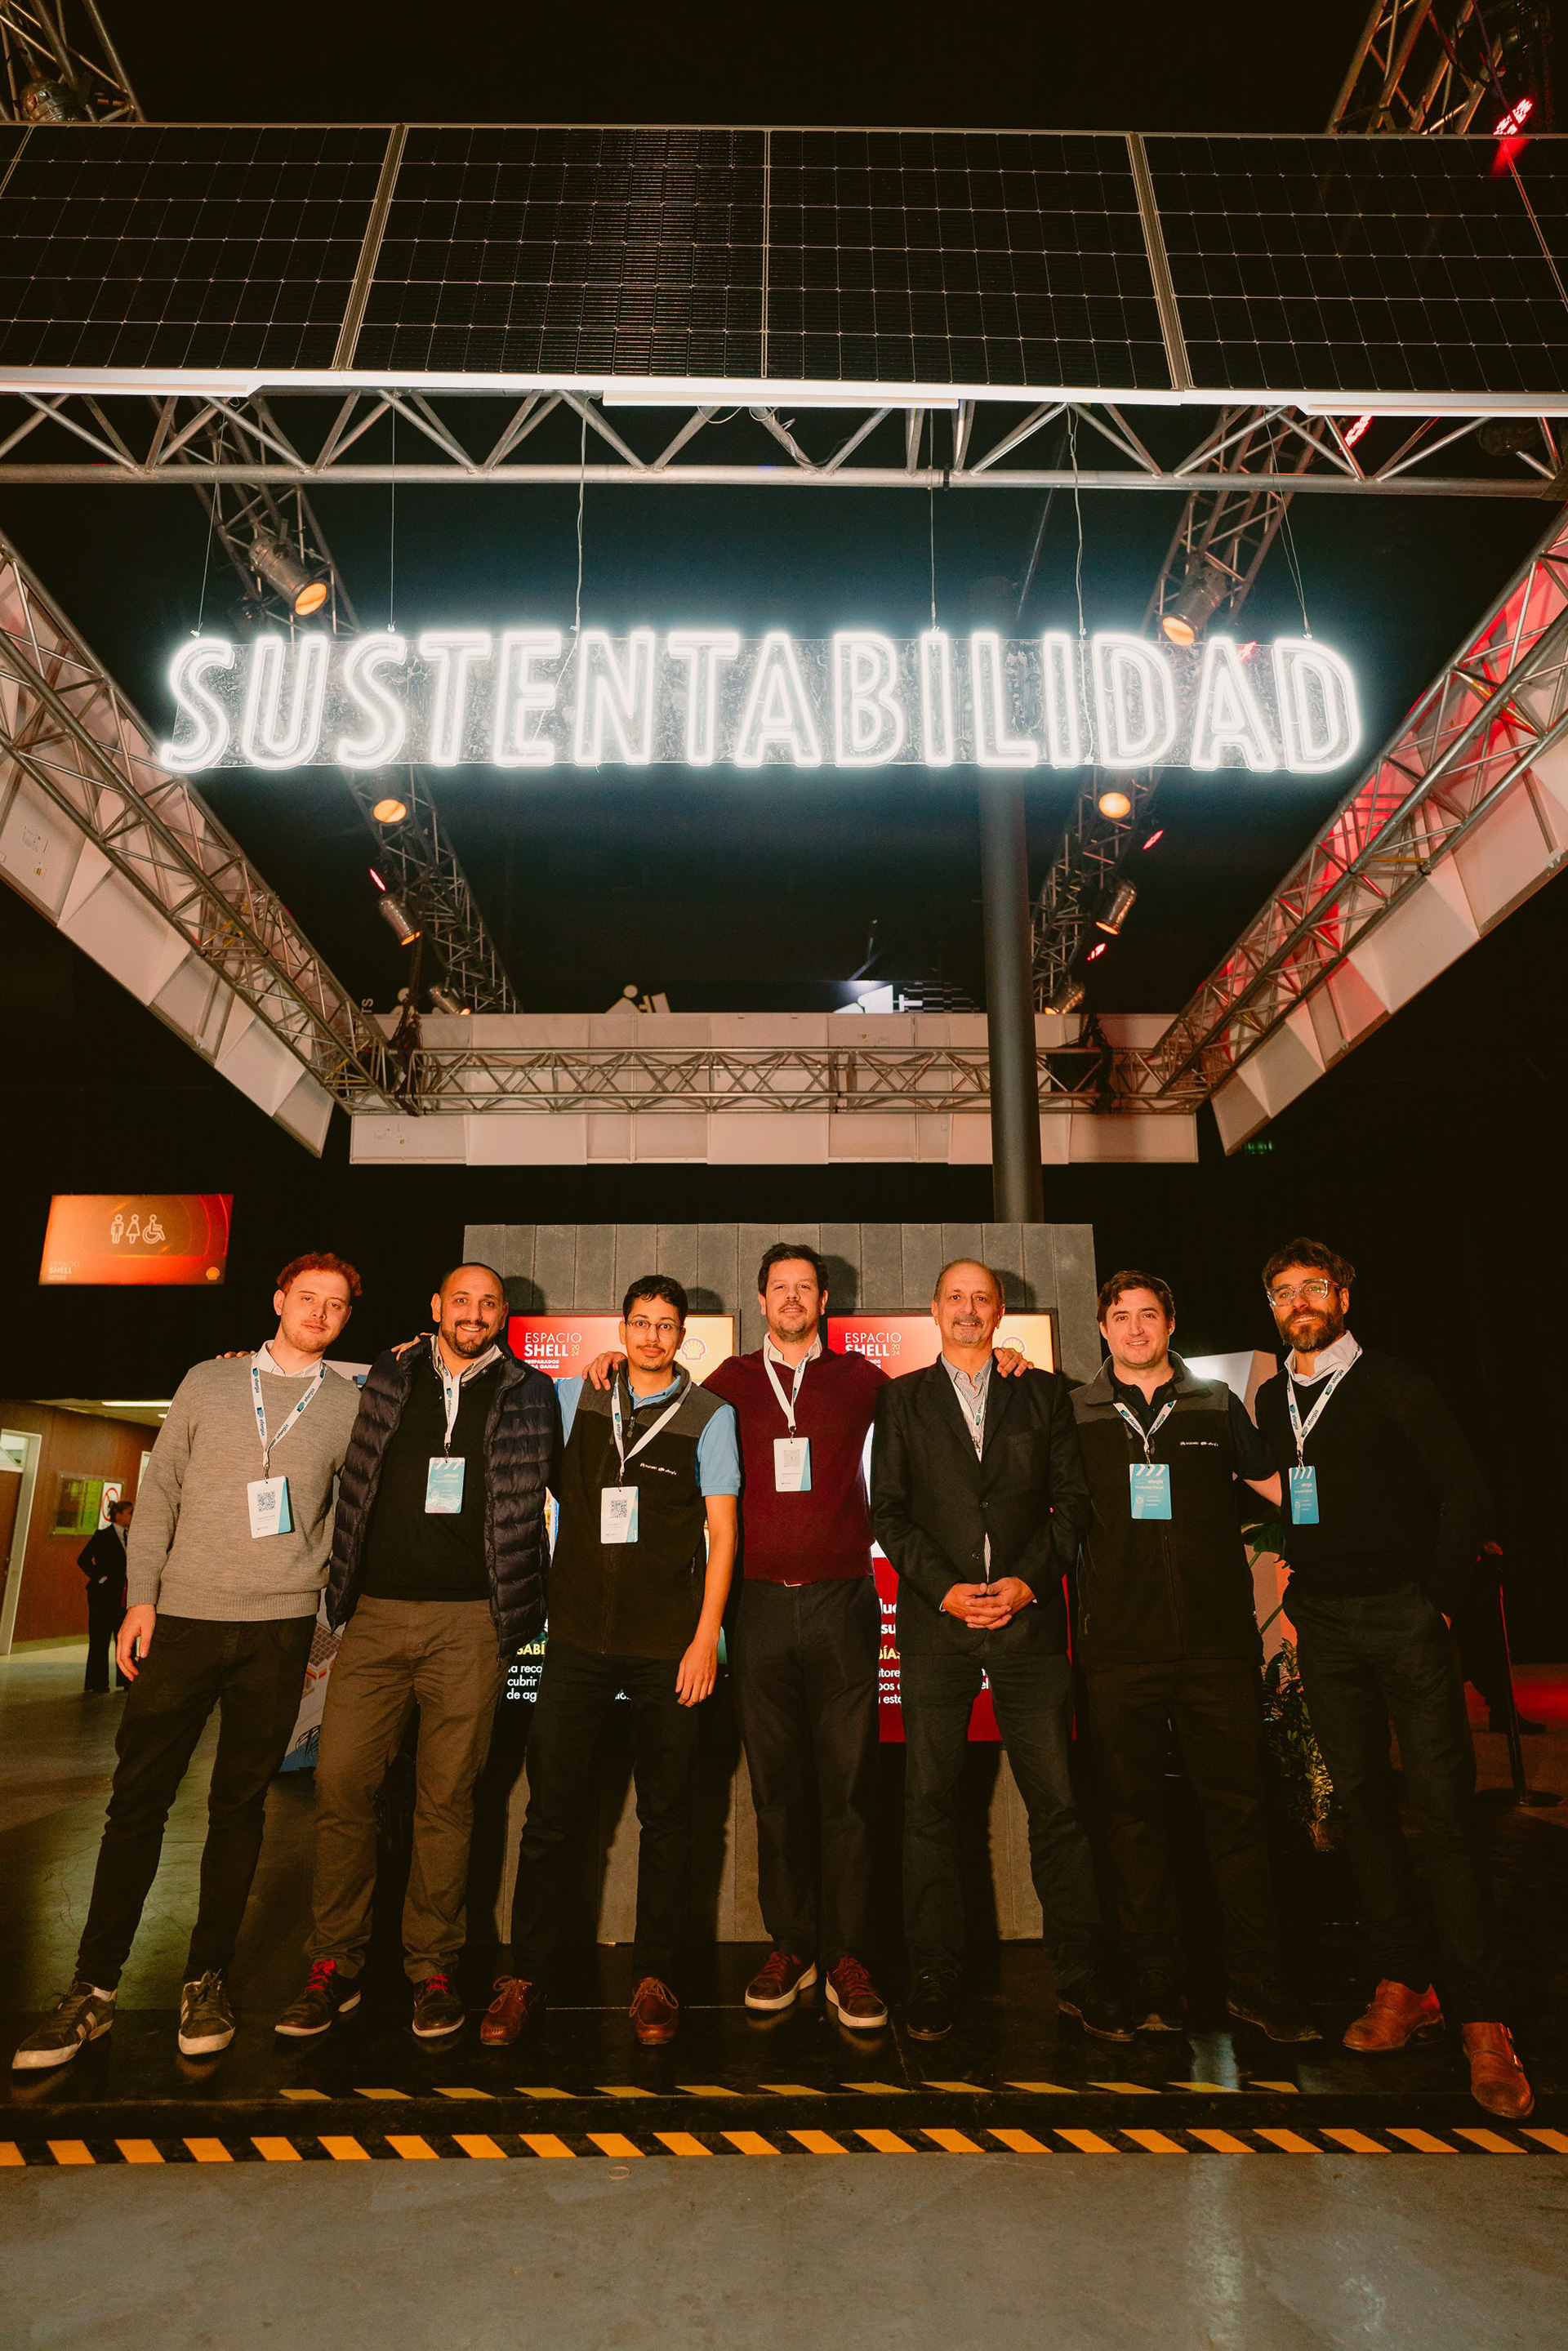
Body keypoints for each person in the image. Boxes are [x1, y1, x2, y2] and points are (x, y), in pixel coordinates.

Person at [12, 1255, 363, 2072]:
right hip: (184, 1620)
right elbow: (163, 1488)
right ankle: (92, 1988)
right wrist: (141, 1598)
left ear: (348, 1317)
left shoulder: (349, 1403)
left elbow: (353, 1512)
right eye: (306, 1297)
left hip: (280, 1628)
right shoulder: (209, 1381)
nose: (318, 1312)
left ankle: (207, 1979)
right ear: (278, 1301)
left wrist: (327, 1609)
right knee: (137, 1804)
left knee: (239, 1809)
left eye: (336, 1304)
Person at [1253, 1238, 1532, 2122]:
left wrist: (1436, 1603)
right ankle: (1405, 1983)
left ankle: (1484, 2015)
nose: (1300, 1302)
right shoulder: (1272, 1397)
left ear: (1344, 1295)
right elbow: (1285, 1489)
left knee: (1445, 1814)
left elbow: (1465, 1494)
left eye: (1314, 1287)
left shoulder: (1397, 1384)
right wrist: (1298, 1588)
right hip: (1326, 1623)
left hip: (1405, 1617)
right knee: (1364, 1807)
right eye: (1284, 1292)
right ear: (1273, 1308)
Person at [276, 1263, 559, 2043]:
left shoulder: (531, 1391)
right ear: (436, 1306)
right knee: (341, 1783)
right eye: (461, 1299)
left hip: (472, 1626)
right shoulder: (386, 1374)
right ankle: (333, 1963)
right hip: (374, 1617)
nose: (474, 1312)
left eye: (489, 1303)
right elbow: (305, 1391)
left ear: (504, 1315)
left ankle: (432, 1967)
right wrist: (247, 1364)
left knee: (447, 1800)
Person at [482, 1275, 739, 2050]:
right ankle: (526, 1973)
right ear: (622, 1328)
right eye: (640, 1322)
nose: (652, 1336)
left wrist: (705, 1638)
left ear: (682, 1335)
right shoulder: (575, 1396)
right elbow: (496, 1382)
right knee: (550, 1815)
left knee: (670, 1817)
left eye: (666, 1325)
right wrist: (406, 1353)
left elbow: (723, 1533)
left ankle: (654, 1976)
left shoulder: (711, 1415)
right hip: (576, 1643)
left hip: (668, 1649)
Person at [871, 1258, 1125, 2043]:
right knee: (929, 1806)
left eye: (982, 1298)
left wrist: (1026, 1583)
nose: (968, 1309)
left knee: (1058, 1806)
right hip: (937, 1626)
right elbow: (889, 1512)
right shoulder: (901, 1398)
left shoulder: (1043, 1392)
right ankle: (934, 1973)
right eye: (955, 1297)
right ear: (934, 1309)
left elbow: (1072, 1505)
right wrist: (944, 1589)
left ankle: (1081, 1975)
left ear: (1000, 1309)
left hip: (1028, 1626)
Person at [1072, 1271, 1317, 2042]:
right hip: (1119, 1651)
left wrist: (1352, 1530)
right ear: (1103, 1328)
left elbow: (1281, 1488)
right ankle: (1155, 1983)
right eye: (1120, 1316)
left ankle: (1258, 1983)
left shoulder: (1216, 1404)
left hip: (1216, 1649)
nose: (1135, 1328)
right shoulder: (1075, 1411)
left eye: (1148, 1314)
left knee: (1239, 1816)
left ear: (1170, 1323)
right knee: (1131, 1821)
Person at [78, 1495, 133, 1694]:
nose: (132, 1517)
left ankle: (127, 1679)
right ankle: (98, 1682)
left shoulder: (131, 1537)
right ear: (118, 1515)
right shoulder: (103, 1536)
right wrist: (101, 1578)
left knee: (125, 1636)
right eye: (129, 1513)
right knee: (100, 1638)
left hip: (122, 1595)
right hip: (103, 1595)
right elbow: (83, 1559)